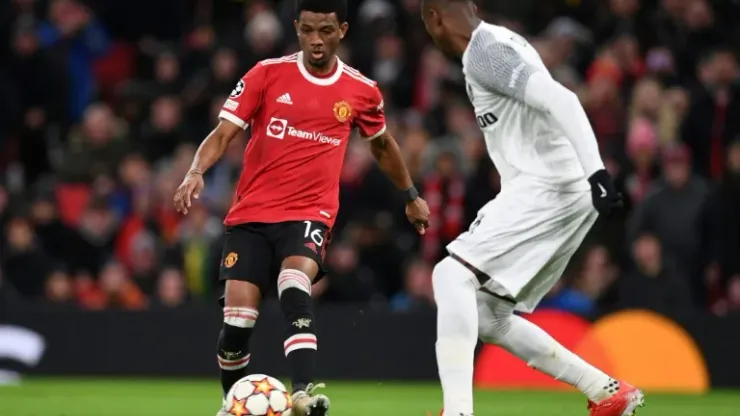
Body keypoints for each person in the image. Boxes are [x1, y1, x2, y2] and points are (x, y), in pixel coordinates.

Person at [173, 1, 430, 415]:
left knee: (294, 281)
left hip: (310, 214)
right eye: (307, 30)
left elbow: (382, 146)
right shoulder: (266, 74)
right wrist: (195, 171)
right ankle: (231, 404)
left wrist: (411, 195)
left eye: (325, 30)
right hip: (251, 215)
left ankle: (303, 394)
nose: (316, 40)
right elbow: (222, 133)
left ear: (342, 30)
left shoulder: (361, 90)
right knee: (238, 322)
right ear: (296, 28)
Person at [419, 1, 642, 416]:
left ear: (434, 20)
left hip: (550, 185)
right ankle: (606, 390)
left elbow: (563, 99)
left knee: (450, 274)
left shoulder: (484, 52)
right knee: (490, 316)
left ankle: (458, 412)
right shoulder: (503, 39)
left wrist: (596, 171)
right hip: (557, 187)